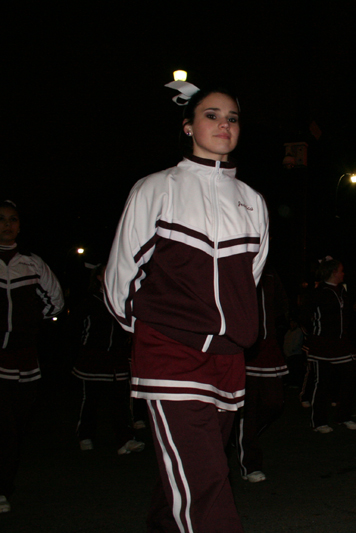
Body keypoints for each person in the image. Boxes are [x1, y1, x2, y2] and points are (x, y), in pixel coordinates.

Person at [105, 82, 269, 533]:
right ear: (188, 126)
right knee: (205, 481)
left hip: (227, 356)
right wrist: (151, 332)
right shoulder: (158, 187)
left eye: (232, 118)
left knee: (187, 473)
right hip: (169, 350)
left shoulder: (252, 201)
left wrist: (233, 327)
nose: (224, 124)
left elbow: (247, 280)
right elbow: (122, 273)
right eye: (212, 115)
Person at [0, 199, 65, 514]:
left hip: (24, 359)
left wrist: (30, 325)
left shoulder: (32, 263)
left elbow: (56, 300)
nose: (7, 225)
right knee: (4, 427)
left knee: (17, 426)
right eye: (1, 219)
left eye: (13, 219)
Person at [72, 263, 144, 455]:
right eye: (106, 272)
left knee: (120, 401)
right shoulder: (89, 302)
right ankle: (85, 435)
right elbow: (74, 331)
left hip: (117, 359)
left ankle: (125, 440)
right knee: (90, 400)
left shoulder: (123, 299)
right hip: (93, 358)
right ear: (98, 277)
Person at [235, 265, 288, 483]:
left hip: (269, 346)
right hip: (244, 347)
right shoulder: (236, 266)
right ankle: (250, 463)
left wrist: (277, 329)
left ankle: (242, 437)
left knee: (275, 403)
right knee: (248, 410)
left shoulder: (270, 272)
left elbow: (281, 304)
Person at [301, 258, 356, 433]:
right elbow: (304, 317)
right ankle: (319, 422)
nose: (343, 273)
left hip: (342, 344)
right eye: (341, 270)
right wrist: (313, 336)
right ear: (333, 272)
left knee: (350, 378)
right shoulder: (318, 293)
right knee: (322, 382)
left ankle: (344, 416)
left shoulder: (342, 291)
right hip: (323, 345)